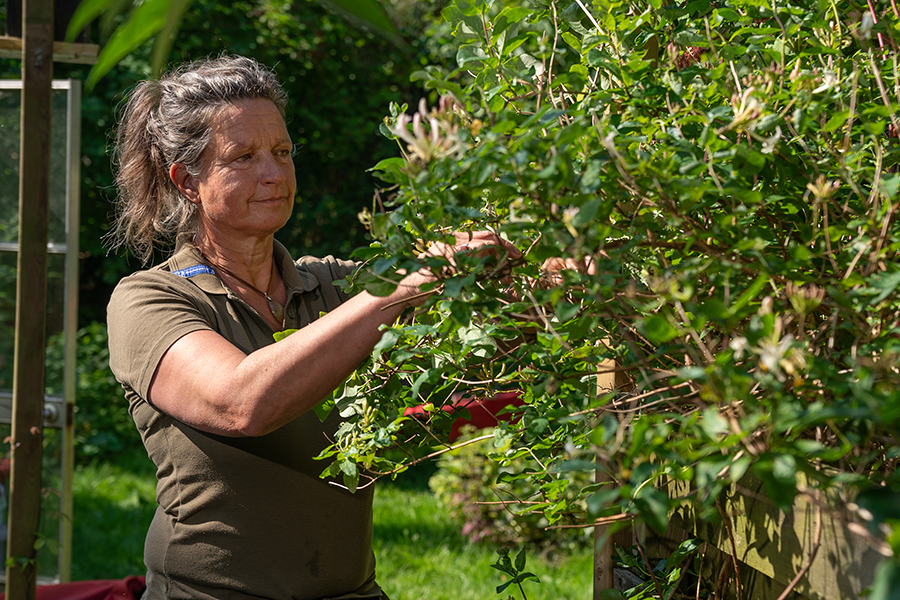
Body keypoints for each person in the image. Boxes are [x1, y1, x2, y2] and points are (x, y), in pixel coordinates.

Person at [106, 55, 517, 600]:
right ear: (187, 180)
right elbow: (240, 402)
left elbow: (495, 324)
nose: (274, 173)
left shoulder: (333, 287)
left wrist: (554, 268)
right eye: (243, 157)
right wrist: (408, 285)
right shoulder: (149, 300)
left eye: (281, 152)